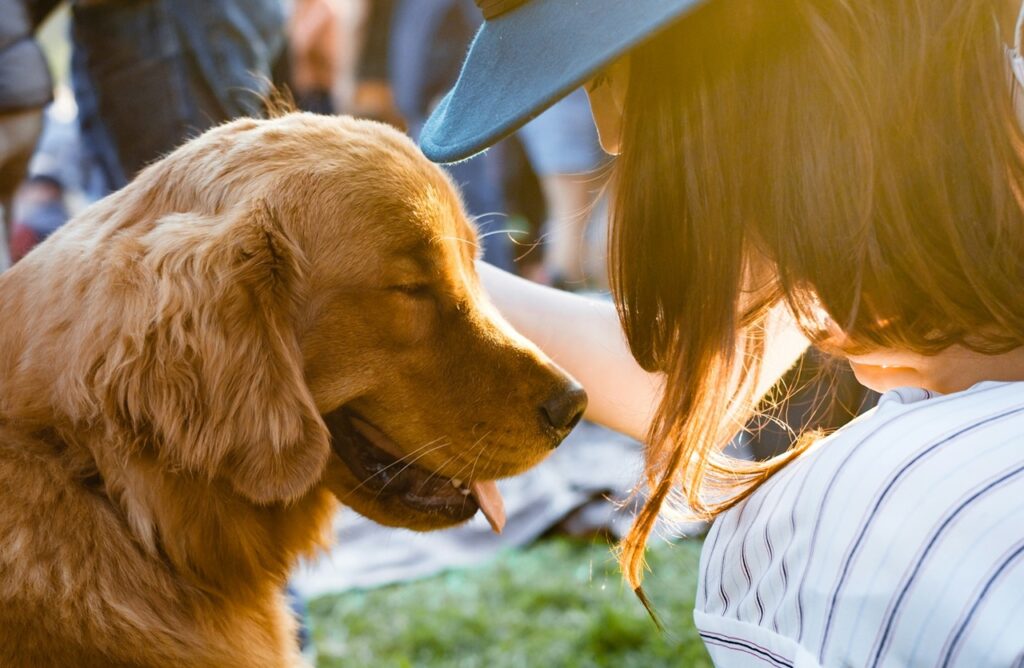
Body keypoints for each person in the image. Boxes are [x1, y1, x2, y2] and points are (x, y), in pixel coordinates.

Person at [418, 0, 1024, 666]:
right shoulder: (829, 149)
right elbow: (685, 376)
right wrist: (430, 270)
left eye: (599, 77)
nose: (609, 135)